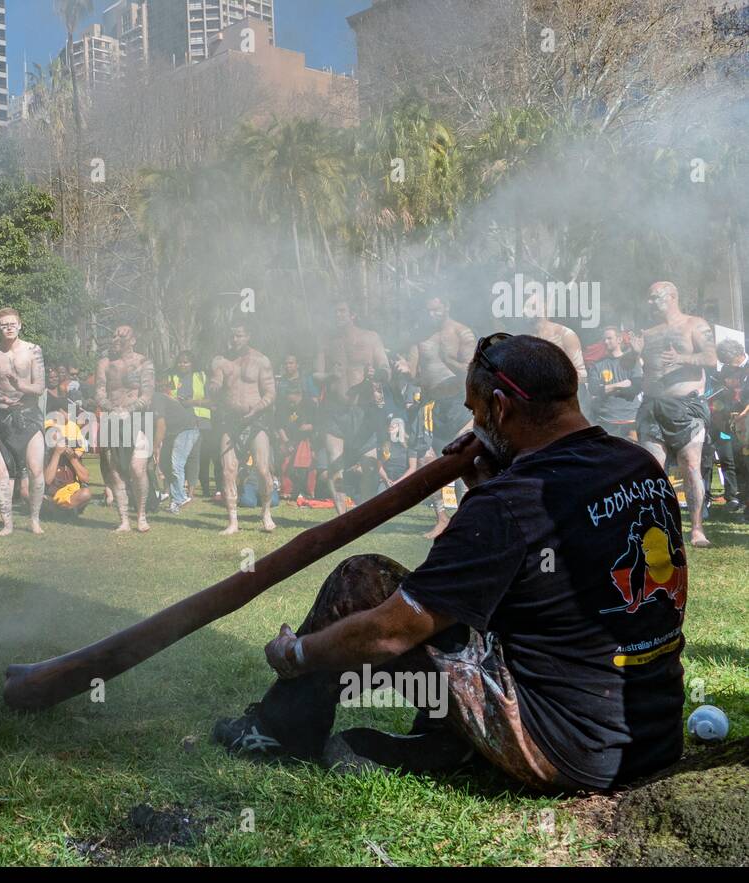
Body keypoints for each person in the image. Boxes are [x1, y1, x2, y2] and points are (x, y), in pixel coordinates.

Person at [214, 334, 687, 795]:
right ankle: (446, 742)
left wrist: (300, 654)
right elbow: (537, 570)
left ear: (500, 407)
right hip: (651, 737)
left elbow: (390, 632)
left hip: (565, 749)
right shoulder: (639, 465)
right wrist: (485, 488)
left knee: (361, 580)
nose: (473, 426)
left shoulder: (508, 504)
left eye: (474, 411)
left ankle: (278, 731)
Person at [633, 281, 717, 548]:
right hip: (652, 406)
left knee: (690, 464)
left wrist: (681, 359)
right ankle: (660, 526)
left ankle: (696, 529)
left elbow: (712, 358)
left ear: (670, 297)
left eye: (653, 297)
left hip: (685, 406)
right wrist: (631, 356)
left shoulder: (694, 324)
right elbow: (634, 368)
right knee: (652, 468)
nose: (649, 302)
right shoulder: (648, 332)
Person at [394, 295, 476, 538]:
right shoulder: (420, 340)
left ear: (446, 307)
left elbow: (472, 369)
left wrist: (448, 360)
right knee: (427, 461)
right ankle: (441, 517)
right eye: (428, 310)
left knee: (465, 460)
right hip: (432, 406)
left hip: (460, 404)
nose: (432, 315)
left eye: (436, 310)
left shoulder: (463, 333)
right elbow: (415, 374)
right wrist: (406, 372)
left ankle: (467, 518)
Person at [313, 302, 390, 514]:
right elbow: (316, 374)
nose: (337, 315)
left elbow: (385, 368)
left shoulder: (371, 338)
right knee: (334, 462)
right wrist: (330, 376)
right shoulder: (326, 341)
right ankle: (342, 516)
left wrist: (378, 375)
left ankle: (363, 513)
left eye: (342, 311)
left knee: (370, 465)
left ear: (353, 314)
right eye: (335, 311)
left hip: (364, 410)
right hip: (334, 410)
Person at [0, 308, 46, 536]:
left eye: (12, 324)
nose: (8, 328)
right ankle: (7, 525)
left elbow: (39, 387)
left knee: (36, 470)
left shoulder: (33, 351)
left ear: (20, 325)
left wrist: (19, 386)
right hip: (2, 419)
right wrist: (2, 398)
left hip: (29, 417)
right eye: (3, 324)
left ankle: (34, 520)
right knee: (1, 474)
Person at [210, 323, 276, 534]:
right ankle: (233, 522)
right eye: (232, 336)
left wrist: (256, 409)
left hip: (256, 420)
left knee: (262, 468)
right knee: (228, 469)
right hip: (230, 421)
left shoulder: (261, 360)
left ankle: (266, 513)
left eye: (239, 335)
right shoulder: (221, 361)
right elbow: (215, 384)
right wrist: (213, 386)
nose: (235, 340)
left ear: (248, 336)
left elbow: (270, 393)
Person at [96, 325, 156, 533]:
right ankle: (123, 520)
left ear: (133, 340)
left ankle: (141, 515)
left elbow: (147, 396)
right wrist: (112, 409)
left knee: (137, 468)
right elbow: (100, 392)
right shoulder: (104, 363)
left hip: (139, 419)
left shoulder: (143, 363)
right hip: (111, 418)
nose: (116, 339)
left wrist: (128, 410)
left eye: (122, 336)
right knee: (115, 470)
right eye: (114, 335)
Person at [710, 338, 748, 514]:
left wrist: (744, 414)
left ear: (739, 354)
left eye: (728, 360)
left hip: (746, 419)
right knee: (733, 460)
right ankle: (736, 497)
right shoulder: (726, 369)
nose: (727, 365)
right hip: (729, 422)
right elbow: (720, 391)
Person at [153, 378, 201, 514]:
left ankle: (179, 498)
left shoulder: (156, 398)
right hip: (174, 432)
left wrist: (155, 447)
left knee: (176, 464)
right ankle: (177, 497)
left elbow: (160, 426)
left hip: (187, 429)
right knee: (165, 463)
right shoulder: (157, 398)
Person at [170, 351, 213, 499]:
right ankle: (177, 488)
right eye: (180, 362)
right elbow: (167, 396)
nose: (182, 365)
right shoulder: (172, 377)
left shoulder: (201, 376)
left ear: (192, 363)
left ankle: (191, 491)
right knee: (176, 456)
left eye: (186, 362)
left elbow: (212, 400)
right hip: (177, 421)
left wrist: (192, 402)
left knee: (194, 456)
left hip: (198, 421)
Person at [587, 326, 642, 439]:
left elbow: (636, 388)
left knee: (632, 453)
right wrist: (620, 385)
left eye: (609, 338)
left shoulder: (631, 361)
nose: (606, 342)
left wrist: (606, 389)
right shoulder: (598, 365)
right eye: (604, 339)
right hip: (606, 420)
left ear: (619, 339)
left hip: (630, 419)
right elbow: (594, 389)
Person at [42, 410, 92, 517]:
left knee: (85, 493)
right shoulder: (45, 454)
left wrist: (72, 459)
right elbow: (46, 481)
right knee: (34, 496)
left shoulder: (71, 451)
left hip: (70, 493)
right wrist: (56, 454)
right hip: (51, 494)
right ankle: (66, 511)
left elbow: (86, 479)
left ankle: (59, 511)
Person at [275, 384, 319, 500]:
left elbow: (319, 424)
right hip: (290, 439)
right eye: (289, 401)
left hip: (307, 439)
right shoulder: (284, 405)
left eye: (293, 401)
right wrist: (286, 442)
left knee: (309, 466)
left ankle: (309, 492)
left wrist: (309, 427)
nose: (291, 404)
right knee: (286, 463)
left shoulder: (310, 405)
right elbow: (279, 425)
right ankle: (287, 491)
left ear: (299, 395)